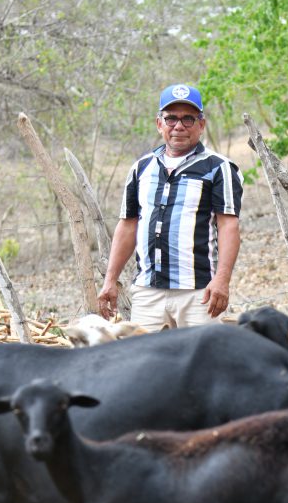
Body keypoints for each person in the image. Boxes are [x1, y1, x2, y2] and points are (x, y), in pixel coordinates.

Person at [99, 83, 242, 330]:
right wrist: (110, 280)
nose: (179, 126)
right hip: (148, 292)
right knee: (147, 365)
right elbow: (128, 225)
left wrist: (222, 280)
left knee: (200, 366)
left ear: (201, 124)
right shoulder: (141, 168)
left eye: (188, 119)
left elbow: (229, 226)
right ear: (159, 124)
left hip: (199, 294)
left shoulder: (219, 168)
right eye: (171, 118)